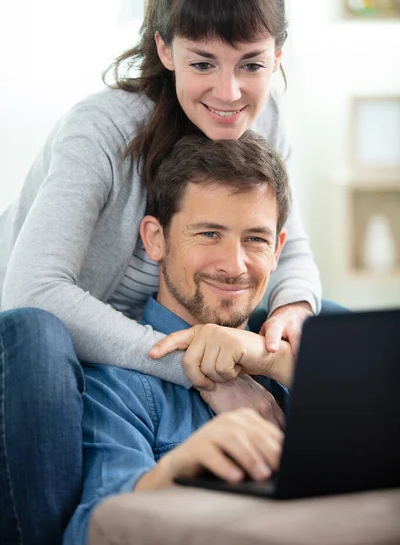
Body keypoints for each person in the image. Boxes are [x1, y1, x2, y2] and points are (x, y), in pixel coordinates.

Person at [0, 0, 325, 543]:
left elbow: (290, 249)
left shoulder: (268, 115)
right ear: (165, 49)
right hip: (58, 338)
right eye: (204, 62)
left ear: (277, 56)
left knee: (339, 332)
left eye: (251, 65)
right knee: (36, 336)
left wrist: (290, 316)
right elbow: (34, 292)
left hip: (178, 325)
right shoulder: (99, 131)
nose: (230, 92)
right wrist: (207, 369)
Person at [63, 129, 294, 544]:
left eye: (255, 239)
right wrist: (174, 473)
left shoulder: (295, 360)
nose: (235, 265)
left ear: (277, 249)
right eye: (209, 234)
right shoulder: (114, 384)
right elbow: (88, 532)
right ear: (156, 239)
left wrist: (276, 361)